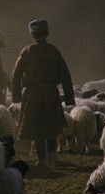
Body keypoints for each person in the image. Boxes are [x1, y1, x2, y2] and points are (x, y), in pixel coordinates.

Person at [11, 19, 75, 169]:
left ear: (32, 34)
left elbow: (16, 75)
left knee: (37, 128)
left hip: (32, 95)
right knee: (52, 127)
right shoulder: (53, 51)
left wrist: (16, 97)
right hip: (51, 94)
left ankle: (42, 161)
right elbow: (65, 74)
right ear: (47, 33)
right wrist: (69, 98)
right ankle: (52, 159)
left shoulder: (26, 51)